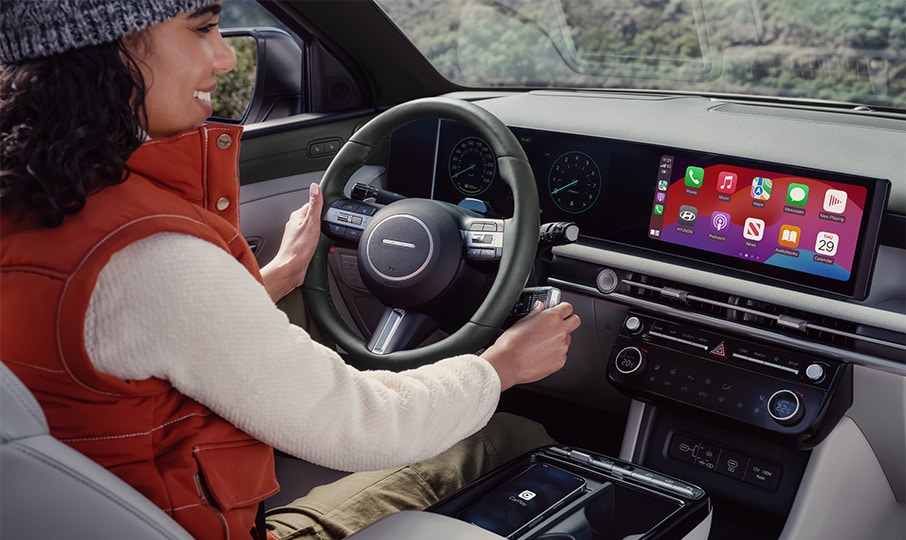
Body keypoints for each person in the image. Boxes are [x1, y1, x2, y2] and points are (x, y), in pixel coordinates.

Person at [0, 1, 581, 539]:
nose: (226, 56)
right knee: (500, 434)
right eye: (201, 29)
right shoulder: (152, 258)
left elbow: (139, 338)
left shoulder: (37, 202)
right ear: (105, 48)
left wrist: (277, 274)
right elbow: (361, 424)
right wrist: (501, 367)